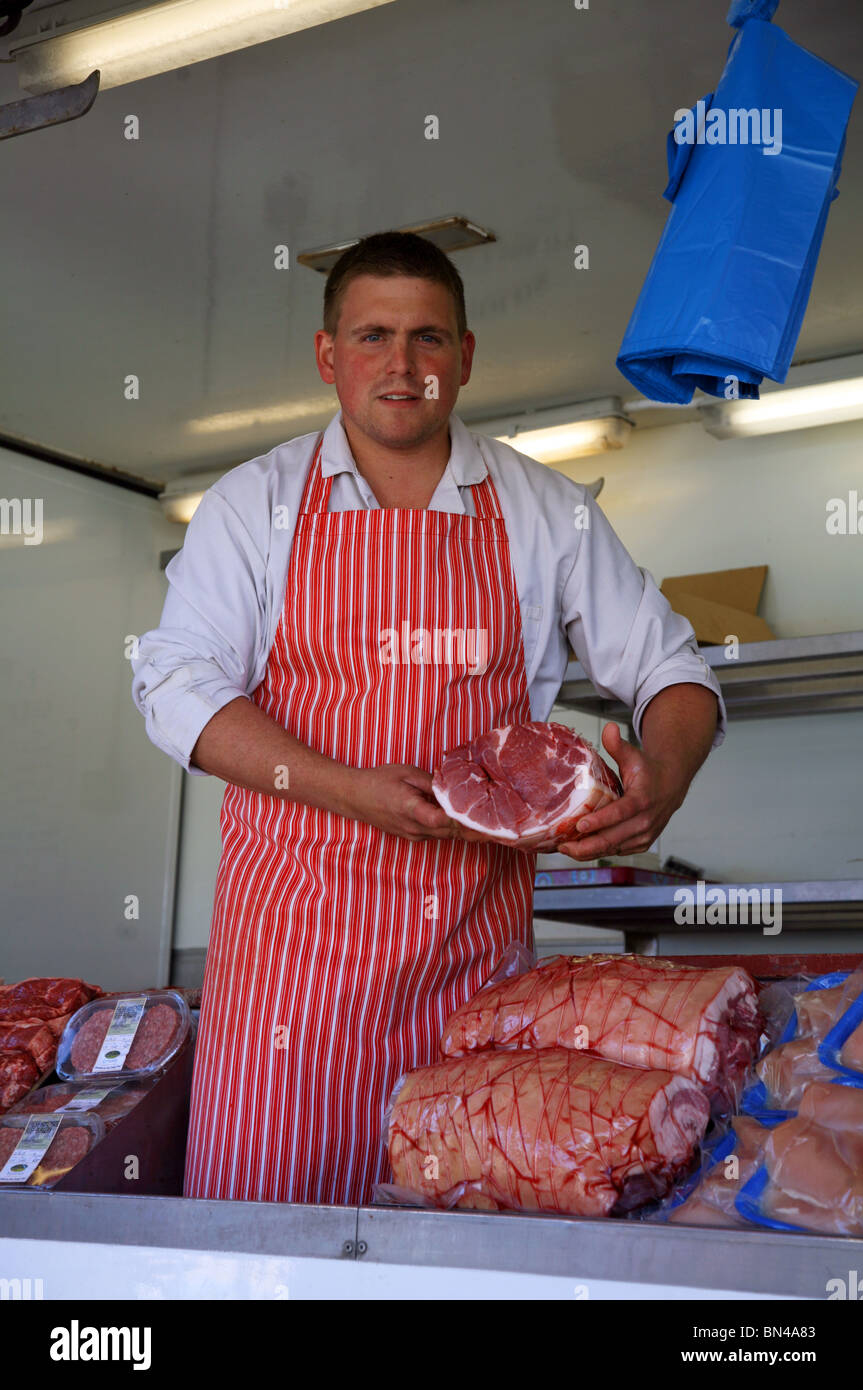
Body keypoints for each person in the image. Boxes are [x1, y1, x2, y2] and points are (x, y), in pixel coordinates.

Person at [132, 231, 725, 1206]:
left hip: (473, 979)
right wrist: (349, 788)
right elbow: (174, 685)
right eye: (372, 335)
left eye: (427, 338)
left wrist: (663, 775)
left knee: (454, 1257)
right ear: (328, 356)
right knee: (261, 1254)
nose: (401, 366)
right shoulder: (253, 505)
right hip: (289, 984)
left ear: (465, 354)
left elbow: (672, 674)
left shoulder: (543, 510)